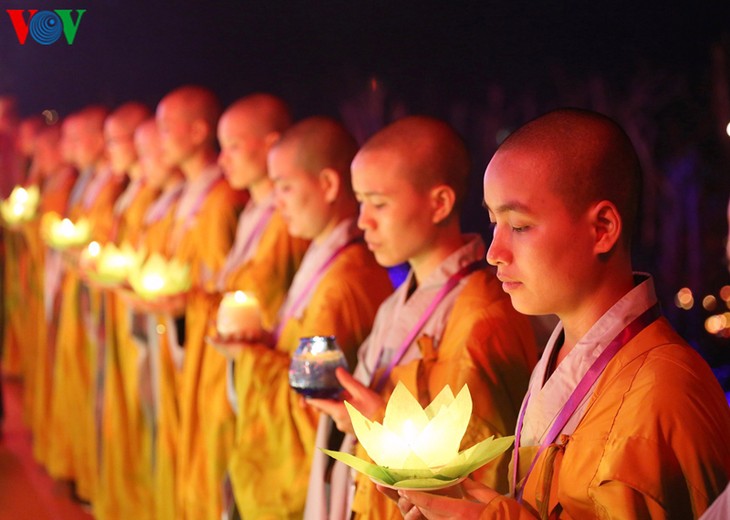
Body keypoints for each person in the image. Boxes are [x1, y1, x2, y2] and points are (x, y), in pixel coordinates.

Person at [394, 108, 730, 519]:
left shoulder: (666, 391)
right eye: (492, 223)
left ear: (602, 228)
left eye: (518, 226)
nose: (494, 252)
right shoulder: (559, 355)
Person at [304, 115, 538, 519]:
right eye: (360, 202)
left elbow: (482, 474)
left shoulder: (482, 317)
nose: (363, 221)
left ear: (439, 203)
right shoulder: (396, 303)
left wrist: (381, 424)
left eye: (378, 203)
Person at [227, 116, 393, 518]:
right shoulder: (321, 256)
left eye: (284, 187)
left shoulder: (342, 281)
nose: (276, 201)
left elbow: (311, 402)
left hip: (299, 480)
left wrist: (249, 353)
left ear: (329, 185)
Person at [208, 93, 310, 517]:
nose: (222, 160)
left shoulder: (291, 222)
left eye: (232, 145)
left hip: (268, 380)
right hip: (240, 371)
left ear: (270, 145)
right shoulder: (251, 211)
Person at [152, 85, 241, 520]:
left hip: (209, 351)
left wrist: (188, 301)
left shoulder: (223, 197)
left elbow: (228, 287)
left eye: (167, 126)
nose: (159, 136)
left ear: (198, 130)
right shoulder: (191, 192)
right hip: (182, 337)